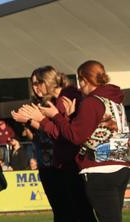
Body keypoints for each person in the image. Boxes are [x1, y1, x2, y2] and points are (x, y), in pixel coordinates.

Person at [25, 60, 129, 222]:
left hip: (99, 168)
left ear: (84, 80)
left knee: (85, 214)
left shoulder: (91, 102)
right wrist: (72, 117)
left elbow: (75, 136)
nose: (79, 87)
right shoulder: (115, 101)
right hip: (120, 164)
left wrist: (53, 117)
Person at [12, 65, 95, 222]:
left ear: (49, 81)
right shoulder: (50, 101)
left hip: (67, 164)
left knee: (77, 211)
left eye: (38, 83)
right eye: (33, 84)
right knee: (63, 211)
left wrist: (34, 120)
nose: (35, 88)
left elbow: (60, 132)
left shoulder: (66, 96)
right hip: (52, 163)